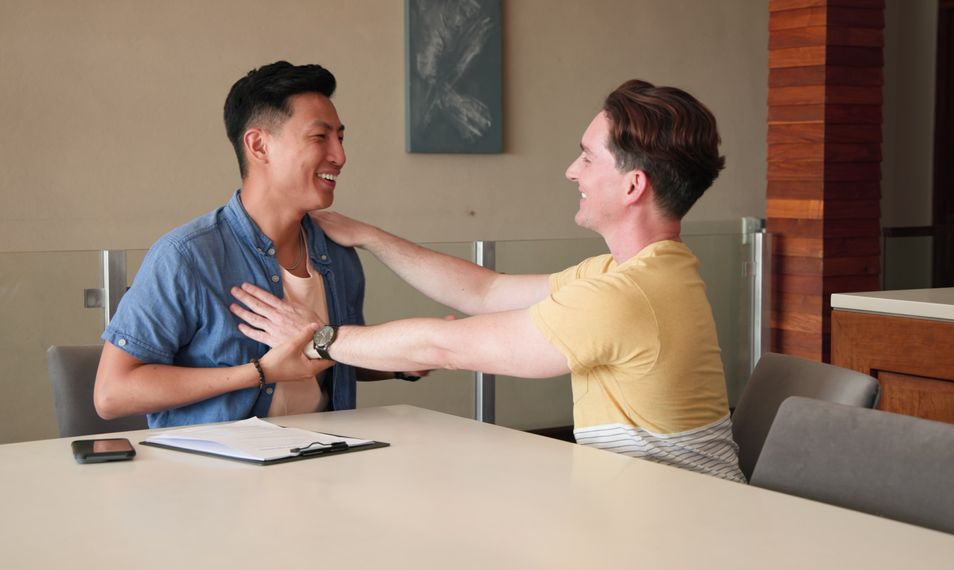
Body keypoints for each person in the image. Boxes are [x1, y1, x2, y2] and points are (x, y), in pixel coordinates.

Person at [233, 80, 745, 482]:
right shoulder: (645, 270)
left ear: (633, 186)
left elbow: (445, 346)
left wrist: (318, 338)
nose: (572, 171)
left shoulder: (623, 296)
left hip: (679, 522)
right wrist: (370, 236)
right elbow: (487, 291)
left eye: (588, 157)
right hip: (648, 501)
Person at [94, 61, 397, 428]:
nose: (340, 156)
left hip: (326, 464)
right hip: (214, 477)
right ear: (259, 146)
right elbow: (112, 393)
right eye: (320, 137)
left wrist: (406, 361)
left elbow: (336, 358)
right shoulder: (186, 256)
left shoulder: (337, 253)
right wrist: (260, 372)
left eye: (341, 138)